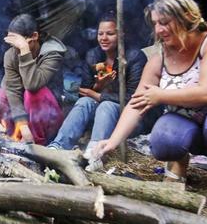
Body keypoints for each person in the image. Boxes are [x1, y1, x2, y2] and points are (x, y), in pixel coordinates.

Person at [92, 0, 207, 222]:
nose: (158, 30)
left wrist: (161, 96)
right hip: (188, 129)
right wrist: (112, 142)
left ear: (186, 17)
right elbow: (137, 104)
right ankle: (179, 166)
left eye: (164, 22)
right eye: (155, 24)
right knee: (163, 136)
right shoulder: (159, 60)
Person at [47, 13, 155, 152]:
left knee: (106, 105)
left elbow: (132, 99)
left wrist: (97, 95)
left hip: (128, 115)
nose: (103, 38)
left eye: (110, 34)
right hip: (101, 113)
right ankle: (59, 146)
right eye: (100, 34)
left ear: (121, 34)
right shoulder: (94, 56)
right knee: (84, 103)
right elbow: (84, 93)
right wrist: (99, 86)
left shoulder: (134, 57)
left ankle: (95, 152)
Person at [0, 14, 66, 145]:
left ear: (34, 36)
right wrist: (22, 124)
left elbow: (32, 84)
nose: (14, 47)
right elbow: (12, 89)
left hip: (49, 119)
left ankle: (38, 144)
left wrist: (24, 51)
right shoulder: (11, 55)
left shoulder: (52, 53)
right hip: (24, 118)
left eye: (18, 42)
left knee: (32, 93)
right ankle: (18, 137)